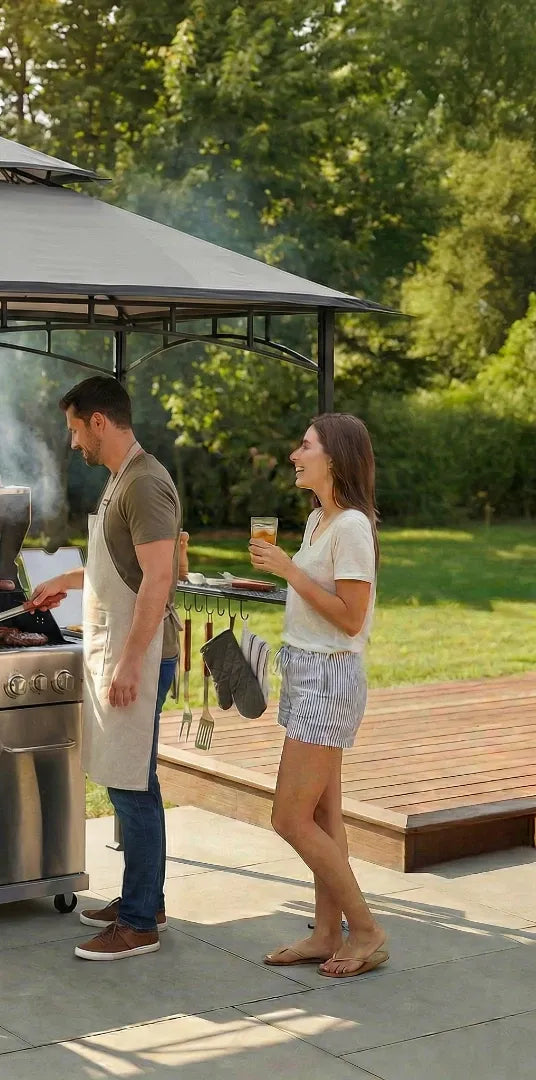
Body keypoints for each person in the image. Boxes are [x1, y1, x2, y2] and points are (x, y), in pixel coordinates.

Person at [30, 376, 187, 961]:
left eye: (75, 429)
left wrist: (129, 661)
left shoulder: (145, 484)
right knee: (130, 783)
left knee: (133, 786)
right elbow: (116, 564)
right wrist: (67, 582)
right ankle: (144, 900)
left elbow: (158, 578)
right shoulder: (123, 481)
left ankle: (141, 921)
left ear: (99, 422)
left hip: (138, 659)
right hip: (123, 653)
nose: (73, 443)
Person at [249, 413, 388, 978]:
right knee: (325, 815)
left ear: (334, 458)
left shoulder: (351, 526)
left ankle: (368, 929)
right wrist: (289, 571)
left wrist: (288, 572)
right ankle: (327, 932)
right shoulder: (316, 522)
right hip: (306, 671)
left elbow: (352, 619)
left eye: (305, 446)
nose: (294, 454)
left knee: (289, 818)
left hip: (329, 678)